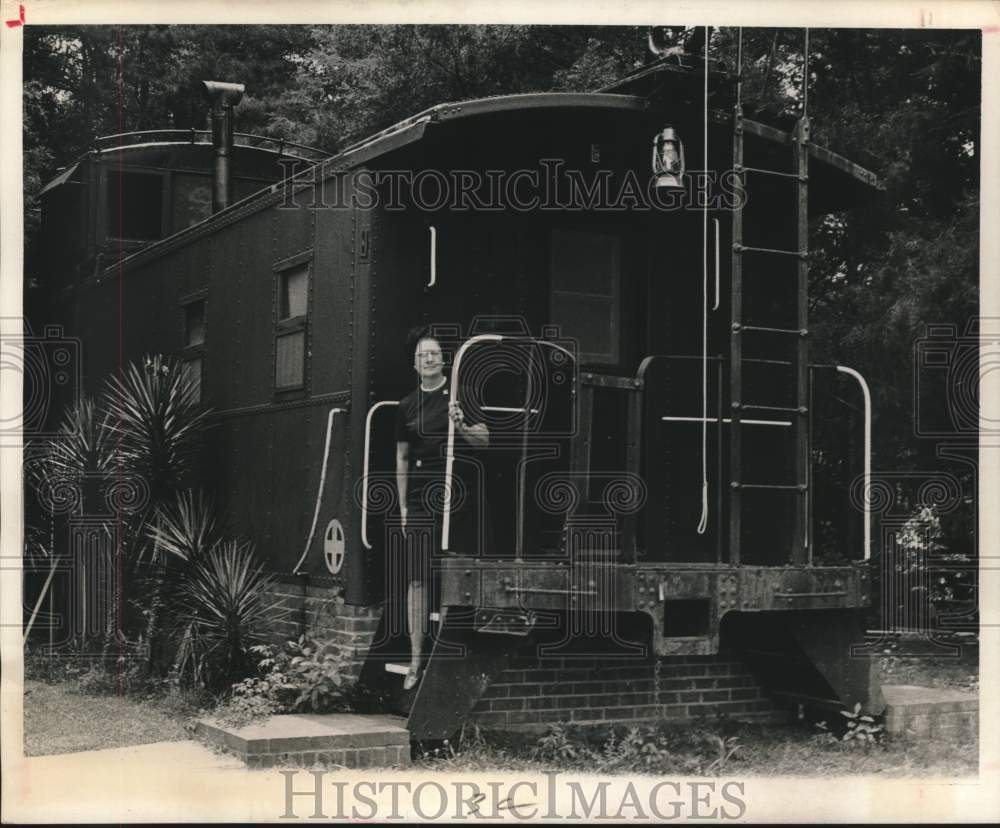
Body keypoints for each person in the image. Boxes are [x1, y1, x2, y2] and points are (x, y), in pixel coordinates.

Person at [395, 327, 489, 689]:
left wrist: (461, 424)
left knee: (452, 575)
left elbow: (485, 441)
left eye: (433, 353)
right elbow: (402, 458)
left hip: (457, 497)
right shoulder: (406, 406)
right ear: (415, 365)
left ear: (443, 359)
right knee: (417, 579)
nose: (429, 359)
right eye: (422, 356)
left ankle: (441, 658)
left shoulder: (462, 396)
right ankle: (416, 659)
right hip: (420, 499)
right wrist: (403, 507)